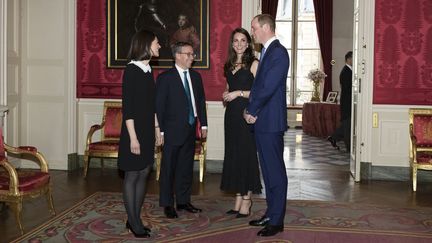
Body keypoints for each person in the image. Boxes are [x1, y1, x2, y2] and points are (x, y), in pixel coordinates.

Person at [243, 14, 289, 237]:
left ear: (266, 27)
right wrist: (250, 109)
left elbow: (268, 87)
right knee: (269, 173)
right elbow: (259, 86)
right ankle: (271, 213)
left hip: (270, 122)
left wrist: (252, 110)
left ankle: (277, 220)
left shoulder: (278, 52)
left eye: (254, 28)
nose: (252, 32)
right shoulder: (267, 51)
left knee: (275, 172)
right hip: (263, 121)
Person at [117, 30, 162, 238]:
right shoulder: (132, 70)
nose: (159, 46)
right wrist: (133, 138)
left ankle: (133, 217)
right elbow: (129, 109)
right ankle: (134, 222)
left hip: (146, 130)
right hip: (132, 132)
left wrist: (156, 130)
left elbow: (152, 106)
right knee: (132, 174)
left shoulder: (147, 69)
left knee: (144, 171)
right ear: (145, 44)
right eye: (156, 42)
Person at [155, 41, 208, 219]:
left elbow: (200, 102)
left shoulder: (196, 77)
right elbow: (159, 107)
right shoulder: (165, 78)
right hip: (171, 131)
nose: (192, 57)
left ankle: (183, 201)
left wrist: (204, 124)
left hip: (190, 129)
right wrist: (160, 131)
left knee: (186, 168)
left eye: (192, 54)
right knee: (169, 168)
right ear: (177, 55)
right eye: (189, 54)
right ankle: (168, 204)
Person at [220, 28, 262, 218]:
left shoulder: (254, 63)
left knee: (246, 156)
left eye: (242, 40)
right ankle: (238, 198)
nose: (239, 44)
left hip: (247, 115)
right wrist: (226, 93)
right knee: (234, 155)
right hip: (231, 116)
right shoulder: (229, 64)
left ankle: (247, 200)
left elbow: (261, 92)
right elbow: (229, 86)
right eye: (235, 40)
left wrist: (238, 93)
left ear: (248, 43)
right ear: (232, 43)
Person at [327, 51, 353, 152]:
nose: (354, 60)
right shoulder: (346, 71)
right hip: (347, 102)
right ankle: (349, 148)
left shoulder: (349, 70)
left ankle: (333, 137)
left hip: (349, 102)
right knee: (347, 125)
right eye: (352, 58)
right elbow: (348, 88)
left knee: (347, 124)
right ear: (348, 59)